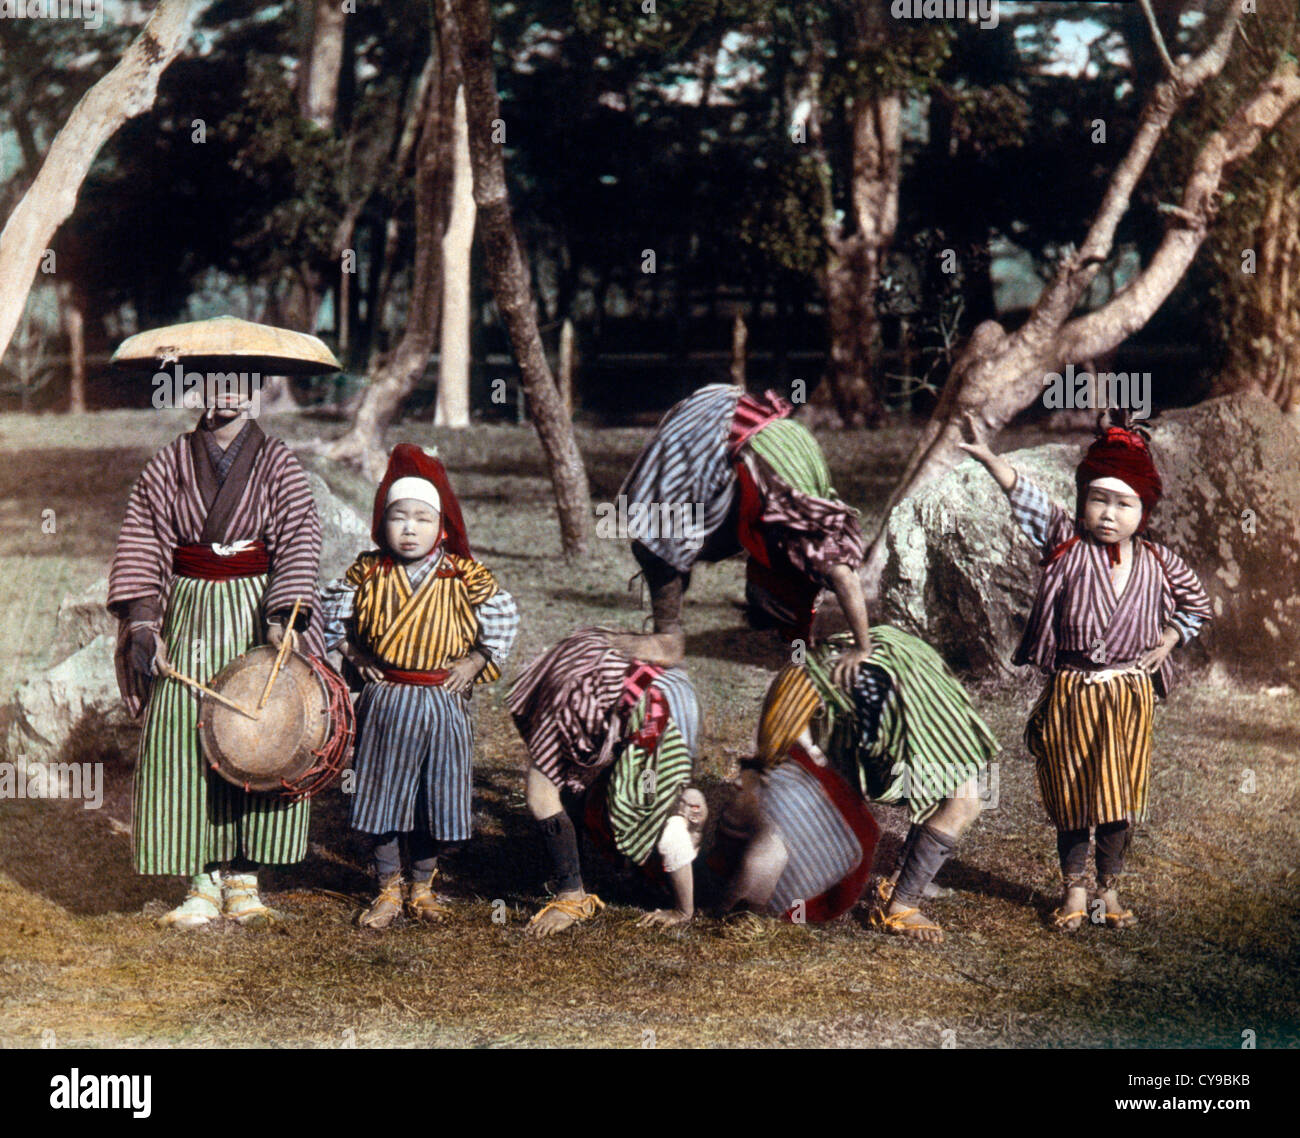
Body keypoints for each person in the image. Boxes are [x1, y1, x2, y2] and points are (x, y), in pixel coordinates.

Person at [959, 411, 1212, 931]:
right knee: (1073, 794)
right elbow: (1026, 501)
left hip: (1128, 694)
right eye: (1098, 499)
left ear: (1144, 509)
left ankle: (1108, 890)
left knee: (1119, 794)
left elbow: (1199, 606)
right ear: (1081, 502)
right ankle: (1074, 889)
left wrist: (1168, 639)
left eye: (1124, 503)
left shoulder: (1161, 562)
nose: (1108, 514)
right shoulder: (1065, 544)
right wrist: (994, 463)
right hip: (1073, 690)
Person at [108, 382, 323, 929]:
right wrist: (142, 623)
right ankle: (200, 878)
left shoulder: (276, 460)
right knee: (185, 729)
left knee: (263, 730)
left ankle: (245, 875)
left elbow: (299, 536)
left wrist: (284, 617)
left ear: (257, 389)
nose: (225, 391)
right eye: (210, 378)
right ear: (191, 387)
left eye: (239, 379)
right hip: (190, 610)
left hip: (258, 613)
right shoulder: (170, 462)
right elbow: (142, 540)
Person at [320, 444, 518, 928]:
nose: (409, 528)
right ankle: (387, 887)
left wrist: (476, 659)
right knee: (382, 794)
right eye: (399, 518)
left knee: (435, 795)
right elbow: (329, 612)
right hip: (387, 700)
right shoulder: (368, 570)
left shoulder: (461, 573)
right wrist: (353, 653)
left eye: (422, 519)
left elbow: (505, 614)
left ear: (443, 527)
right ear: (382, 524)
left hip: (442, 701)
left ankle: (423, 884)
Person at [717, 626, 999, 942]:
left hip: (895, 688)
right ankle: (899, 900)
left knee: (964, 798)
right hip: (836, 705)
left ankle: (900, 895)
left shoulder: (924, 699)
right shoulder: (805, 694)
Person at [611, 384, 871, 688]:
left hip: (747, 426)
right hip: (735, 429)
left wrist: (862, 648)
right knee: (661, 535)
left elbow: (843, 576)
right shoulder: (789, 522)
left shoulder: (795, 525)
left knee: (657, 538)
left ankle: (667, 636)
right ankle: (668, 632)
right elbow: (839, 575)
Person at [507, 628, 703, 937]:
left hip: (600, 681)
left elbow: (663, 817)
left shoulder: (652, 765)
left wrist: (682, 911)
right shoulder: (650, 745)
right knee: (550, 792)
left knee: (552, 793)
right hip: (596, 685)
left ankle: (572, 891)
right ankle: (572, 891)